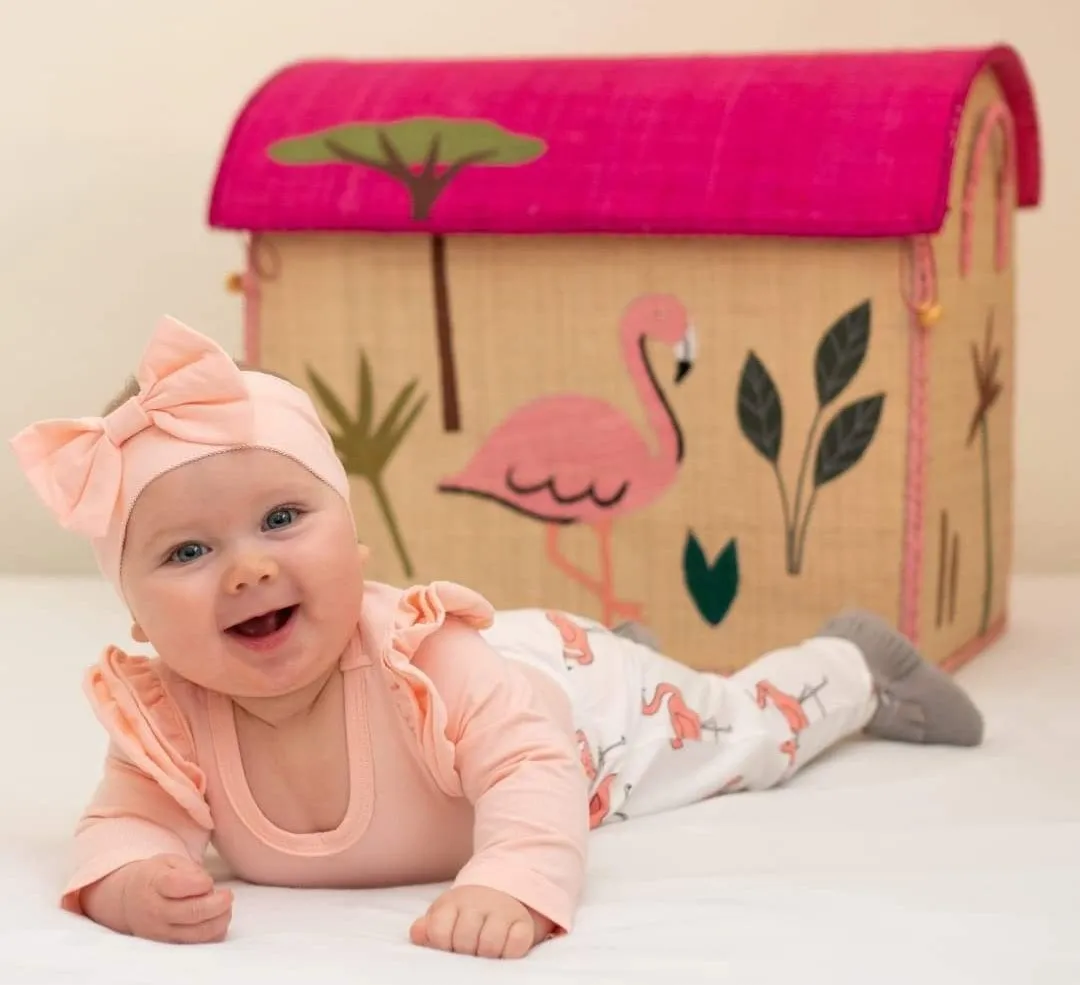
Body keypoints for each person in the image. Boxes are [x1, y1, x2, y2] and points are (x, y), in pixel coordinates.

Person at [9, 316, 984, 960]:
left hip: (572, 714)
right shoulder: (170, 719)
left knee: (729, 733)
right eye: (187, 549)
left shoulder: (417, 664)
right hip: (527, 668)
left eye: (280, 520)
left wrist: (514, 879)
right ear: (136, 614)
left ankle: (851, 665)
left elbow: (528, 763)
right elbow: (122, 822)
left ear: (356, 534)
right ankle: (630, 644)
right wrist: (129, 883)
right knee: (612, 674)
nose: (249, 569)